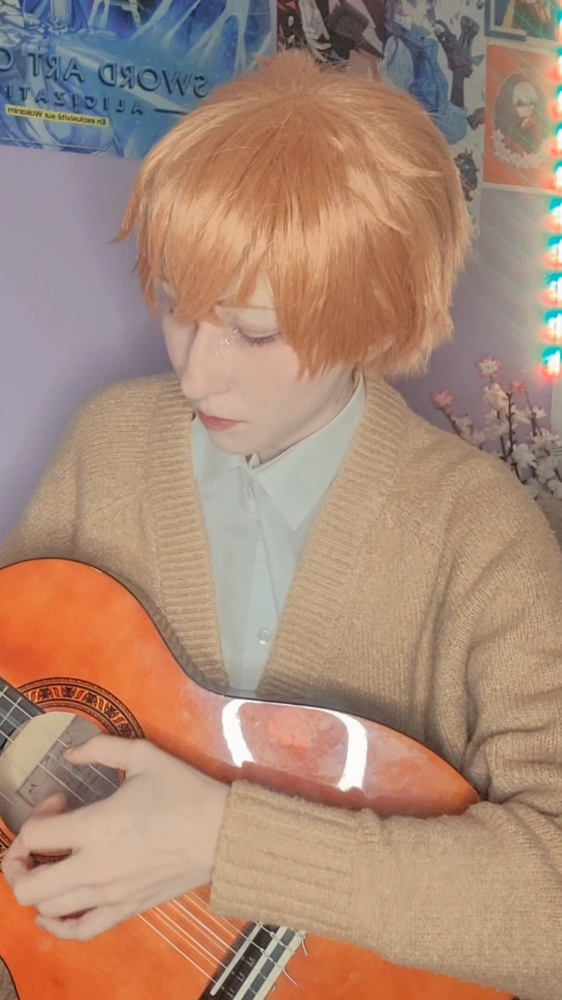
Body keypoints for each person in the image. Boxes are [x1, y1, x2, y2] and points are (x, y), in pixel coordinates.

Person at [0, 49, 561, 1000]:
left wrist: (225, 841)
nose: (195, 373)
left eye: (253, 332)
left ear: (373, 322)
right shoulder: (106, 445)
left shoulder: (482, 536)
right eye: (174, 306)